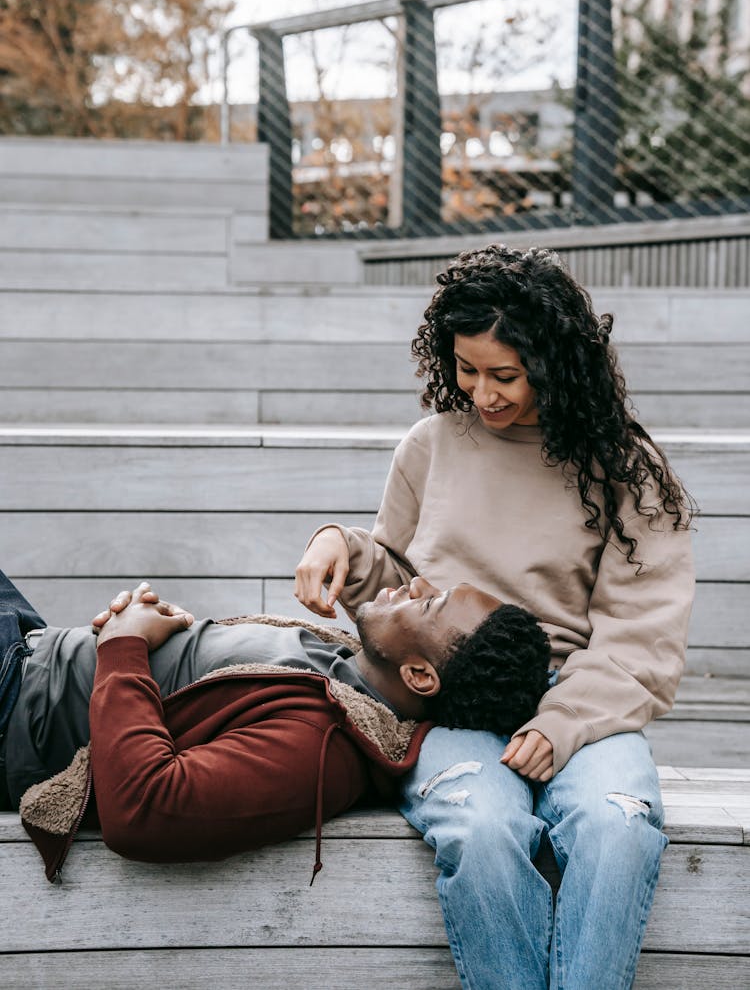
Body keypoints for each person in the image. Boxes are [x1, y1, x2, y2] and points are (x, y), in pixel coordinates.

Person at [295, 244, 696, 990]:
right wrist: (339, 546)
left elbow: (642, 638)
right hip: (453, 701)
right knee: (479, 827)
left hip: (583, 702)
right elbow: (398, 579)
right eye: (466, 368)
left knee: (617, 824)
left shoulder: (625, 469)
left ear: (555, 361)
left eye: (504, 374)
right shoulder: (432, 445)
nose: (482, 392)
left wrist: (561, 722)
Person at [0, 571, 550, 885]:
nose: (415, 580)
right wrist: (159, 636)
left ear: (419, 676)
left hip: (15, 706)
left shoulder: (320, 746)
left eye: (430, 601)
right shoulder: (344, 667)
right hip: (34, 645)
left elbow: (146, 807)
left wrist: (125, 647)